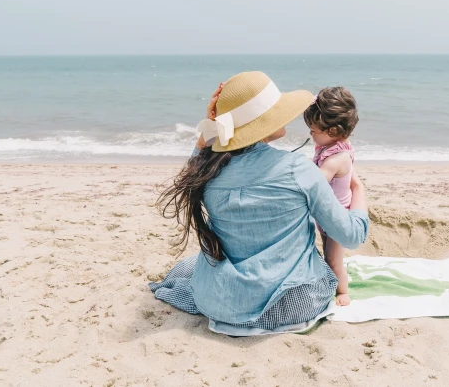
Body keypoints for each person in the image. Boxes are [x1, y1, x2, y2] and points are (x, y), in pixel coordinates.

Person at [150, 71, 369, 331]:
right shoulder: (297, 169)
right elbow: (352, 236)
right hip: (292, 304)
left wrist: (208, 132)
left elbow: (194, 166)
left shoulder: (206, 171)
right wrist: (358, 189)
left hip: (220, 299)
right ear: (262, 122)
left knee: (190, 267)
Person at [303, 87, 359, 306]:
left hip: (336, 219)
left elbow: (315, 182)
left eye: (314, 130)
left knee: (333, 259)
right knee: (328, 250)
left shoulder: (336, 160)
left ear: (334, 131)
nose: (310, 134)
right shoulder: (333, 147)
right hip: (327, 216)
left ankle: (342, 291)